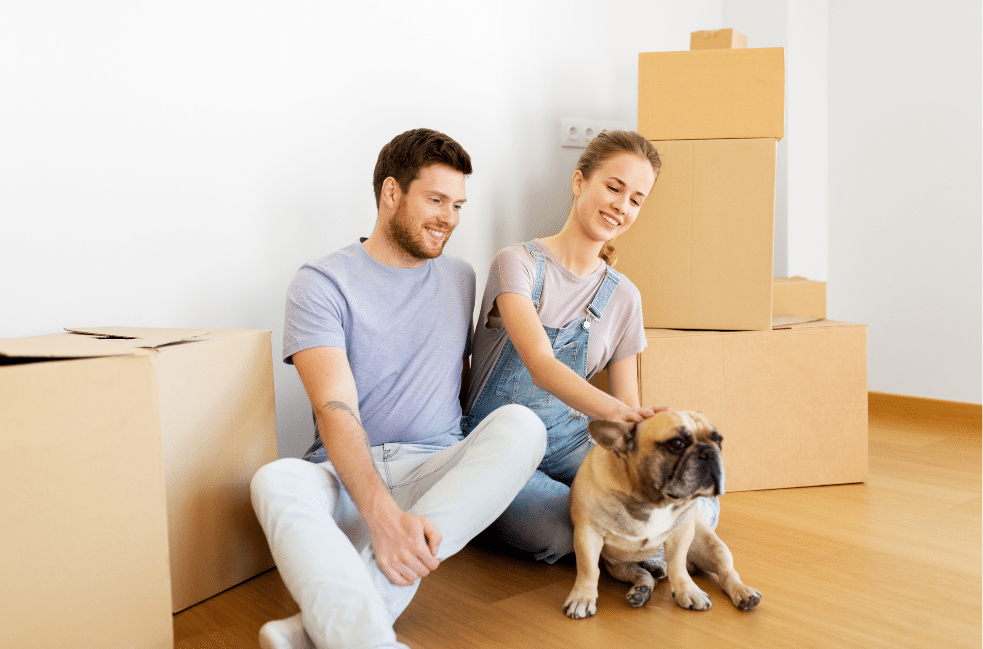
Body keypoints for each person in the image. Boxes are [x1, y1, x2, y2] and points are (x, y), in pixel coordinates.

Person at [251, 128, 547, 649]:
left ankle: (326, 632)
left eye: (457, 205)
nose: (450, 218)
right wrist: (382, 517)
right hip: (348, 476)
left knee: (523, 426)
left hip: (434, 474)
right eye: (436, 200)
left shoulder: (461, 278)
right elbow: (333, 408)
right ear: (392, 193)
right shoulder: (321, 283)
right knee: (275, 480)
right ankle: (358, 638)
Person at [462, 130, 720, 565]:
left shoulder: (624, 297)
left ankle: (630, 547)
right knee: (558, 531)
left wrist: (646, 440)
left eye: (636, 199)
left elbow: (627, 403)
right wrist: (618, 415)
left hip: (571, 437)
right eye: (614, 187)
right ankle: (640, 548)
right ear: (579, 182)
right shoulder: (519, 264)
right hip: (495, 441)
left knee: (701, 500)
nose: (622, 206)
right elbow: (541, 365)